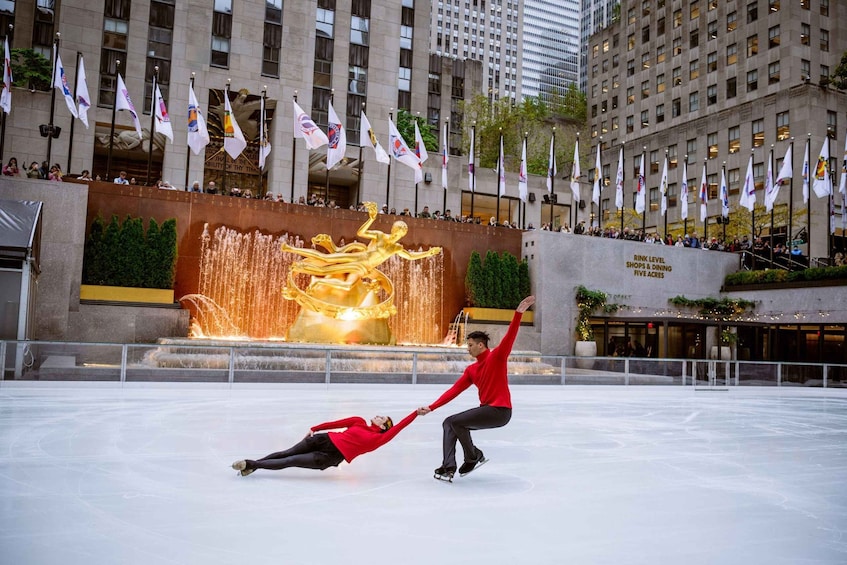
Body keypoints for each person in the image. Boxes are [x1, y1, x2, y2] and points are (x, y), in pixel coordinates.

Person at [417, 295, 536, 480]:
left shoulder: (496, 357)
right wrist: (432, 407)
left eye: (470, 345)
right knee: (449, 423)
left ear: (481, 345)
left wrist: (519, 313)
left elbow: (509, 337)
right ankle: (449, 466)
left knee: (456, 422)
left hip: (500, 411)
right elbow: (453, 391)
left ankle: (472, 456)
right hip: (487, 411)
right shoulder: (472, 370)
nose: (468, 349)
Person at [231, 411, 417, 476]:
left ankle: (250, 464)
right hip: (323, 439)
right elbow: (337, 424)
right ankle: (253, 466)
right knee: (286, 453)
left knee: (291, 461)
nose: (377, 416)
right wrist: (315, 428)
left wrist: (416, 413)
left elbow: (400, 426)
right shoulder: (358, 421)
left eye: (381, 417)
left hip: (329, 457)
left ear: (384, 426)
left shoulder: (379, 439)